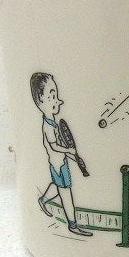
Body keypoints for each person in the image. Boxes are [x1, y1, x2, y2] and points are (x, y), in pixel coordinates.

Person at [30, 72, 92, 237]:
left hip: (60, 163)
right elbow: (54, 146)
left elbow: (60, 146)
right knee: (66, 194)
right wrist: (69, 151)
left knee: (59, 187)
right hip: (58, 166)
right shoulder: (48, 126)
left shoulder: (53, 123)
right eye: (52, 96)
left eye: (56, 95)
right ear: (41, 100)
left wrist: (73, 157)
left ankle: (43, 200)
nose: (58, 101)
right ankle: (72, 225)